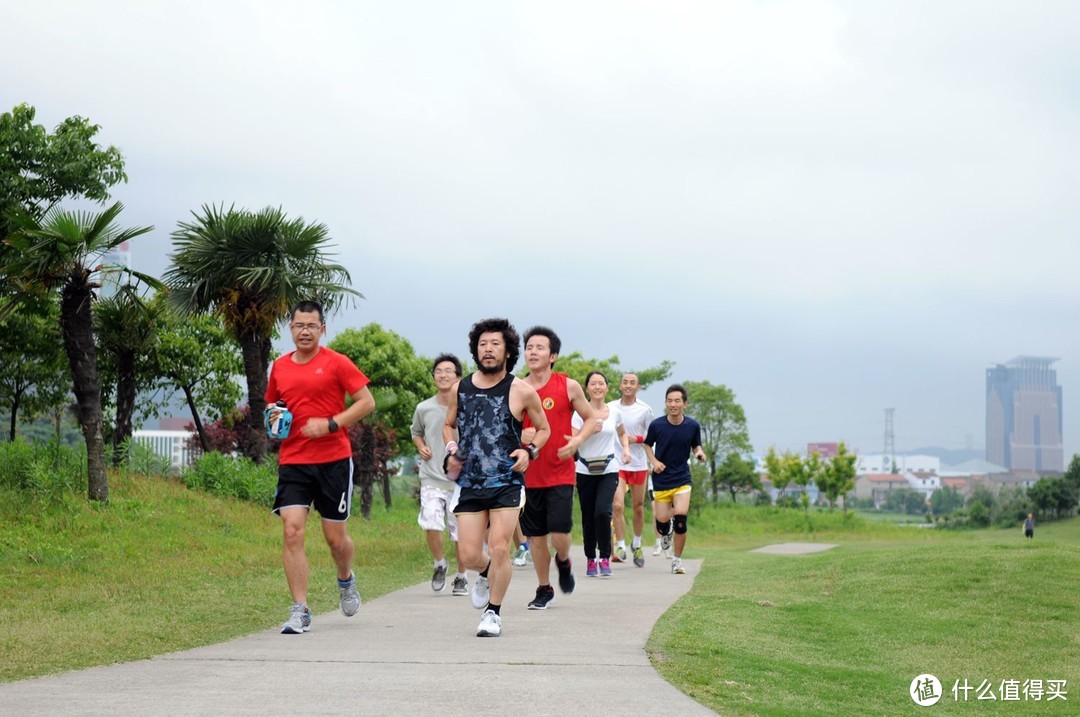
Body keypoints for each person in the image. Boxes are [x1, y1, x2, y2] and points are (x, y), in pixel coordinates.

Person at [265, 300, 376, 634]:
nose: (305, 331)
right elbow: (274, 402)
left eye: (311, 326)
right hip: (294, 460)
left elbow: (366, 402)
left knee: (335, 539)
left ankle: (346, 579)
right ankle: (300, 609)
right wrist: (273, 417)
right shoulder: (280, 366)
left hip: (333, 461)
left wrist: (330, 424)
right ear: (291, 328)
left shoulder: (337, 363)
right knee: (292, 530)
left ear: (322, 329)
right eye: (299, 325)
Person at [443, 318, 550, 637]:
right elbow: (449, 424)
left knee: (501, 546)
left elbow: (544, 429)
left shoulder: (521, 390)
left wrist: (528, 451)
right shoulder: (459, 388)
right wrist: (451, 448)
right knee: (468, 554)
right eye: (482, 344)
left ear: (508, 351)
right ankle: (487, 571)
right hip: (470, 482)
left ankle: (494, 612)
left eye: (495, 344)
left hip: (506, 481)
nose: (488, 350)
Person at [519, 326, 596, 609]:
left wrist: (577, 440)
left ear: (553, 355)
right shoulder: (517, 388)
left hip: (561, 471)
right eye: (529, 347)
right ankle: (544, 588)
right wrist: (521, 437)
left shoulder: (568, 386)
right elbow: (506, 429)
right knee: (536, 538)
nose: (533, 352)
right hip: (529, 475)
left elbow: (590, 418)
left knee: (560, 532)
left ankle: (563, 561)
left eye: (540, 348)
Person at [411, 353, 468, 596]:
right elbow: (416, 432)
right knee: (431, 523)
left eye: (448, 371)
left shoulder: (467, 406)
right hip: (431, 477)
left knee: (460, 531)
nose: (443, 375)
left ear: (458, 377)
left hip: (461, 481)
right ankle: (439, 563)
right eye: (438, 371)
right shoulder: (424, 407)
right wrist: (420, 446)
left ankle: (462, 576)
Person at [643, 384, 705, 576]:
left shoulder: (692, 426)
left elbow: (696, 446)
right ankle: (665, 530)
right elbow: (646, 445)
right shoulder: (657, 425)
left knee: (680, 518)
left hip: (682, 478)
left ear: (685, 403)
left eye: (677, 401)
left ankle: (677, 561)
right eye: (669, 401)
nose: (673, 404)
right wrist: (654, 462)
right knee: (661, 523)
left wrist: (700, 453)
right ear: (665, 403)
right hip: (662, 480)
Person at [573, 371, 630, 577]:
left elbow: (623, 433)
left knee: (602, 512)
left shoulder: (614, 412)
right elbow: (573, 439)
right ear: (586, 388)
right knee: (588, 516)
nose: (597, 387)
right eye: (593, 384)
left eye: (601, 384)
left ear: (607, 388)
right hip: (585, 469)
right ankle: (590, 559)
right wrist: (588, 431)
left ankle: (605, 557)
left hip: (609, 468)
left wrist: (625, 449)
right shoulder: (579, 413)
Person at [611, 373, 655, 567]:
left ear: (638, 387)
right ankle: (620, 545)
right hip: (617, 462)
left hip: (638, 463)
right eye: (625, 382)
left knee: (638, 507)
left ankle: (636, 543)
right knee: (617, 505)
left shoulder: (645, 410)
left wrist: (634, 439)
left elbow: (652, 437)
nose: (628, 385)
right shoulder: (611, 407)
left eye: (632, 383)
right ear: (620, 386)